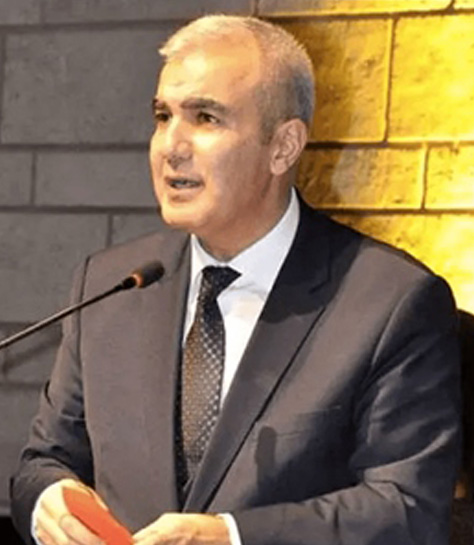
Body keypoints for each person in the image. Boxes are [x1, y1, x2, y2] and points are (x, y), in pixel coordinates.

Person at [10, 14, 461, 545]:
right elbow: (45, 460)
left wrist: (233, 536)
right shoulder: (110, 285)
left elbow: (407, 509)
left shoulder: (391, 302)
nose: (171, 145)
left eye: (205, 118)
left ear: (283, 146)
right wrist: (48, 500)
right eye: (162, 116)